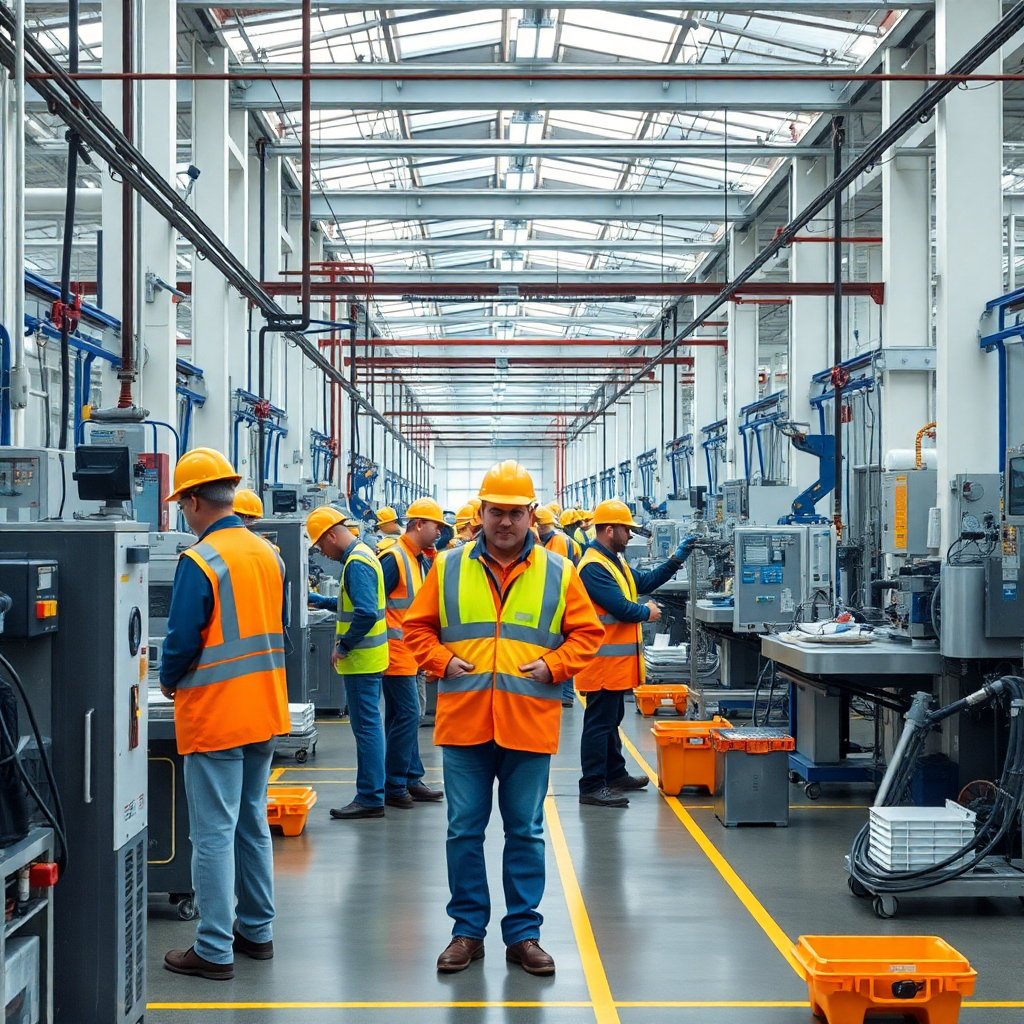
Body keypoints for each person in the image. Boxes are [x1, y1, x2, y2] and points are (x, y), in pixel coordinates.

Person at [404, 461, 602, 977]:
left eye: (516, 513)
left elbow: (587, 635)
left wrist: (556, 664)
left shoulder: (559, 572)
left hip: (528, 721)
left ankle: (523, 935)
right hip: (466, 722)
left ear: (531, 515)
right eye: (497, 511)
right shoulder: (448, 567)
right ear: (482, 513)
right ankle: (467, 932)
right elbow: (416, 629)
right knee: (463, 831)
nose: (506, 522)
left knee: (525, 831)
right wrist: (442, 661)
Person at [159, 448, 289, 981]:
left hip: (216, 713)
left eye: (182, 504)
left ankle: (213, 949)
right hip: (264, 706)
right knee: (251, 823)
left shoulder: (202, 560)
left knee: (211, 833)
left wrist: (167, 680)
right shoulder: (268, 553)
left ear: (193, 501)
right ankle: (256, 932)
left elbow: (181, 640)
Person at [575, 499, 697, 808]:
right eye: (627, 530)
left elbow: (643, 581)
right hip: (602, 663)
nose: (630, 536)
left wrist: (676, 559)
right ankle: (591, 784)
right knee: (599, 723)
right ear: (610, 529)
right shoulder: (593, 567)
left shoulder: (612, 561)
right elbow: (622, 608)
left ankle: (614, 774)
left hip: (616, 664)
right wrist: (647, 612)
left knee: (611, 718)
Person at [306, 505, 390, 819]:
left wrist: (343, 646)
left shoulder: (356, 563)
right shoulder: (363, 555)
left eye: (320, 545)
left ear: (331, 535)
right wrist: (319, 600)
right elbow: (352, 603)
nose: (322, 553)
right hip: (370, 658)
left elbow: (366, 613)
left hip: (361, 660)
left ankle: (370, 797)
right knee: (369, 727)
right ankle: (372, 793)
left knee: (366, 729)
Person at [378, 496, 446, 807]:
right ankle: (394, 784)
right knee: (406, 714)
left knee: (405, 716)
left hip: (412, 652)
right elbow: (376, 605)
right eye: (436, 527)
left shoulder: (416, 557)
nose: (440, 533)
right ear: (419, 524)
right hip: (396, 653)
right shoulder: (394, 558)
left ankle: (411, 777)